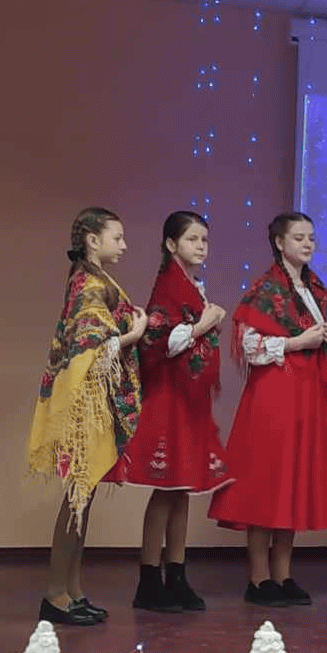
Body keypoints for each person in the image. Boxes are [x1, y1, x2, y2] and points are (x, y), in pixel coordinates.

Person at [209, 212, 327, 608]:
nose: (308, 244)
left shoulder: (315, 289)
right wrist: (299, 342)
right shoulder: (266, 289)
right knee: (268, 480)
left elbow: (312, 339)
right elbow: (250, 346)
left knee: (294, 480)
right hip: (275, 393)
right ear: (280, 243)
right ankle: (259, 577)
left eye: (311, 237)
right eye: (299, 237)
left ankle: (283, 574)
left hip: (307, 393)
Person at [106, 211, 231, 615]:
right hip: (168, 399)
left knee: (181, 490)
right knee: (166, 490)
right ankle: (149, 579)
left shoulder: (191, 285)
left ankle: (176, 574)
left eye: (204, 240)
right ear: (171, 244)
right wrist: (204, 324)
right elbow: (160, 342)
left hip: (188, 399)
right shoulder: (168, 287)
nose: (201, 246)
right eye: (192, 239)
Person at [26, 207, 147, 625]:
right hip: (83, 405)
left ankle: (73, 589)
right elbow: (94, 347)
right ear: (93, 240)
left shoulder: (96, 280)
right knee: (77, 496)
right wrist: (133, 334)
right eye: (117, 237)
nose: (124, 245)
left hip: (94, 402)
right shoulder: (88, 284)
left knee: (84, 497)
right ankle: (55, 594)